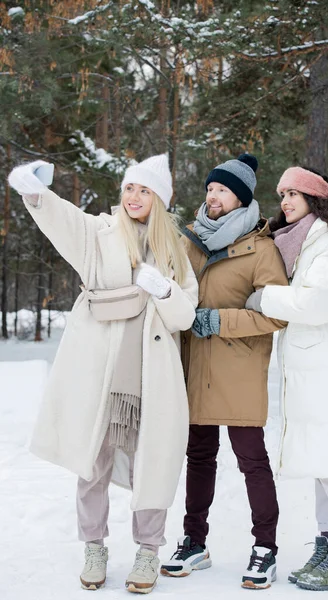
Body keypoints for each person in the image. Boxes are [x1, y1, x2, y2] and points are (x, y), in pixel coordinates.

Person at [8, 155, 198, 594]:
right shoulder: (100, 232)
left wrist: (165, 291)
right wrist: (34, 191)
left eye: (144, 190)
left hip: (151, 371)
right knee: (92, 461)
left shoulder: (175, 249)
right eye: (129, 188)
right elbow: (63, 220)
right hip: (97, 366)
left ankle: (148, 550)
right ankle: (94, 546)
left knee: (151, 462)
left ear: (159, 199)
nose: (134, 197)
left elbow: (186, 313)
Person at [159, 153, 288, 589]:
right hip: (193, 368)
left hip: (238, 371)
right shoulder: (189, 240)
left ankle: (265, 548)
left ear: (241, 199)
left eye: (222, 190)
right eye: (210, 189)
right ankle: (195, 542)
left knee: (252, 460)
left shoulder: (262, 249)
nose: (212, 196)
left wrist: (220, 320)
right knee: (198, 457)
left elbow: (277, 315)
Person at [245, 166, 328, 591]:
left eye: (294, 193)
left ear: (316, 199)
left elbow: (314, 305)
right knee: (324, 464)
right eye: (282, 193)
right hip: (317, 375)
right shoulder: (305, 243)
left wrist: (266, 298)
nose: (285, 201)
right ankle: (327, 544)